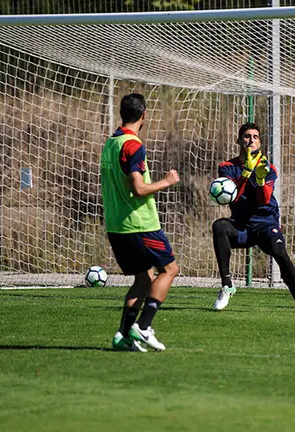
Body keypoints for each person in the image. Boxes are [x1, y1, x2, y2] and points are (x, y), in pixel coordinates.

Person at [211, 122, 295, 314]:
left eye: (255, 137)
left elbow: (264, 199)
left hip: (266, 224)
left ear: (260, 142)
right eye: (247, 136)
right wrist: (246, 172)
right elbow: (233, 197)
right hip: (242, 227)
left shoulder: (268, 168)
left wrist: (261, 179)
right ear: (239, 140)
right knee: (219, 227)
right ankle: (227, 285)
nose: (251, 140)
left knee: (280, 252)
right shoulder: (227, 167)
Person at [101, 93, 180, 352]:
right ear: (144, 115)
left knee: (144, 279)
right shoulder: (133, 145)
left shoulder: (110, 143)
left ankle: (122, 335)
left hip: (116, 225)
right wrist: (166, 181)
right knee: (169, 270)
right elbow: (138, 188)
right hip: (140, 224)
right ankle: (144, 327)